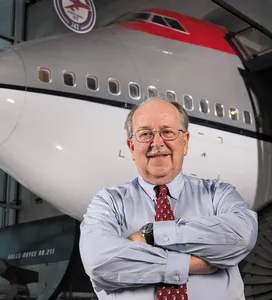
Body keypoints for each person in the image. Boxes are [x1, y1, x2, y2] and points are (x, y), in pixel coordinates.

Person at [79, 96, 258, 300]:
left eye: (167, 132)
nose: (157, 142)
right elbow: (99, 262)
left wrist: (151, 235)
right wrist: (189, 264)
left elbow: (241, 236)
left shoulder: (219, 194)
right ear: (131, 147)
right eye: (145, 134)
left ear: (185, 142)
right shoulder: (108, 202)